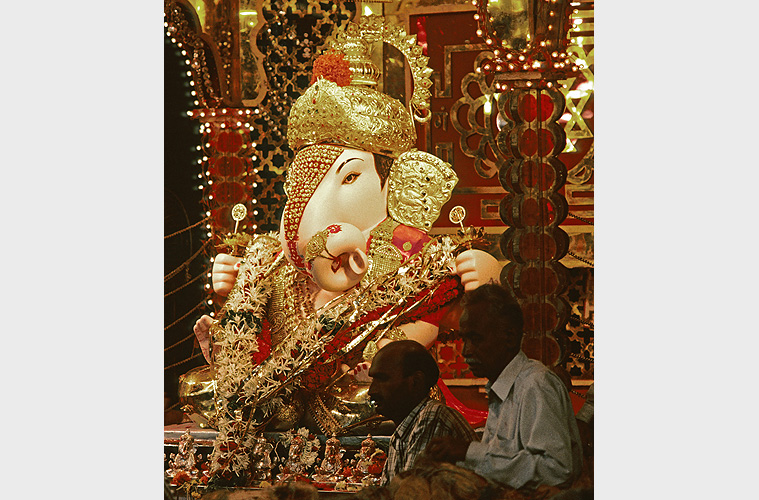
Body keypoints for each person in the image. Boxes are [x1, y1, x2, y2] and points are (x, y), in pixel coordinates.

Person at [424, 284, 582, 491]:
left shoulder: (535, 384)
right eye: (464, 339)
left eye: (476, 338)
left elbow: (556, 470)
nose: (466, 350)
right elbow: (503, 464)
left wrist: (468, 452)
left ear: (509, 337)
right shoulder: (502, 388)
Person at [367, 340, 476, 486]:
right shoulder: (400, 434)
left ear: (415, 381)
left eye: (382, 379)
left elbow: (410, 493)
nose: (371, 391)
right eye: (373, 380)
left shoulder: (433, 417)